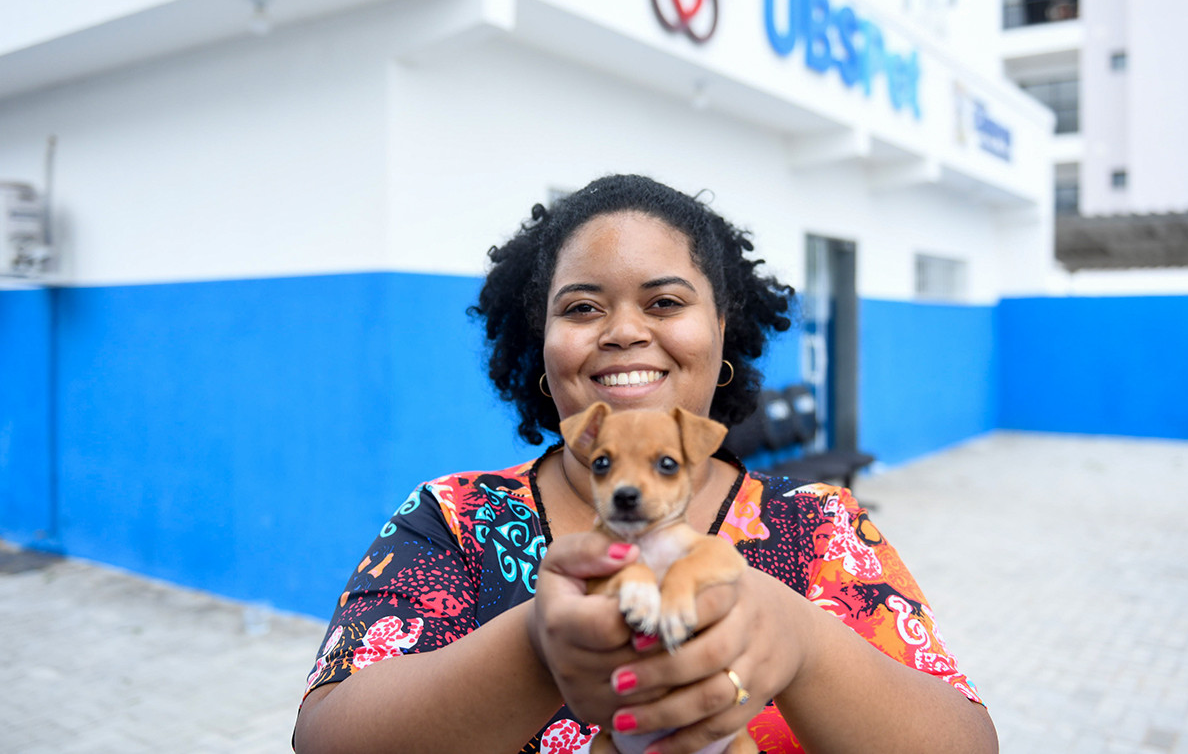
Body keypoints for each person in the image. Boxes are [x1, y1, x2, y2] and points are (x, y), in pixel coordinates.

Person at [293, 175, 997, 754]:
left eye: (664, 301)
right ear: (541, 344)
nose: (625, 330)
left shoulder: (818, 528)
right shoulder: (455, 522)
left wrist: (805, 643)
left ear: (723, 330)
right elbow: (325, 739)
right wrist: (539, 645)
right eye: (581, 306)